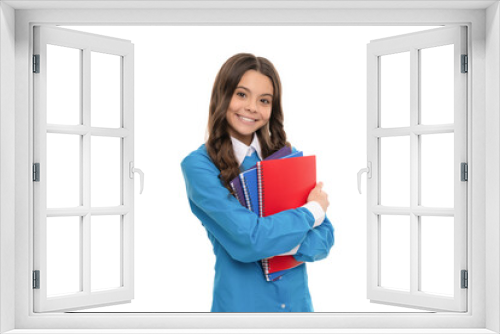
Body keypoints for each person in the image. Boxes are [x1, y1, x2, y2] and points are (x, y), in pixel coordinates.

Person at [181, 53, 334, 312]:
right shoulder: (199, 166)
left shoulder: (288, 156)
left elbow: (324, 240)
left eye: (264, 100)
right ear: (223, 95)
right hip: (242, 310)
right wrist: (313, 211)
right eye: (241, 94)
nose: (252, 107)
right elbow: (249, 241)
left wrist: (269, 239)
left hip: (298, 310)